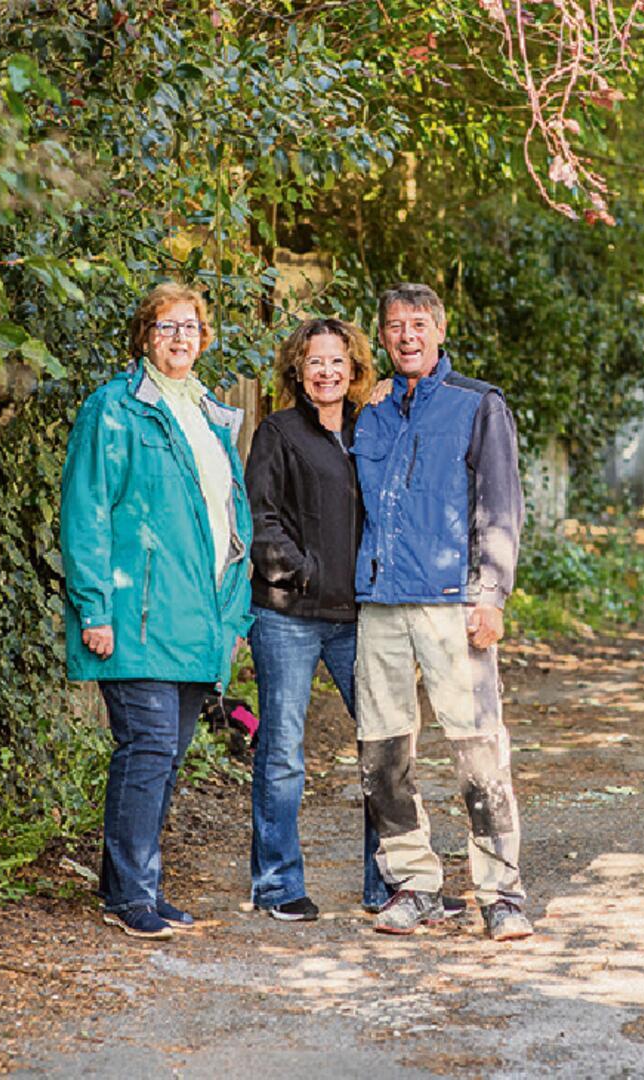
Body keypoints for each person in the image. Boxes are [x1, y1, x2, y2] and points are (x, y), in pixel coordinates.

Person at [59, 282, 253, 940]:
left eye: (190, 328)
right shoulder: (113, 409)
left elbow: (230, 523)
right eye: (166, 327)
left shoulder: (209, 413)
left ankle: (131, 886)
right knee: (146, 746)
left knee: (167, 756)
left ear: (204, 339)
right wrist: (94, 606)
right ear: (145, 336)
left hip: (198, 617)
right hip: (135, 613)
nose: (179, 338)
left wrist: (233, 619)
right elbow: (85, 511)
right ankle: (132, 892)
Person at [351, 283, 532, 940]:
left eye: (418, 324)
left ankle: (501, 894)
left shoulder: (477, 405)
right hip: (380, 605)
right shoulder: (367, 412)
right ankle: (414, 885)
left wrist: (492, 593)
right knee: (383, 752)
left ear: (441, 328)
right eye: (395, 326)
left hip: (454, 606)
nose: (407, 336)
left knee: (478, 749)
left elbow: (500, 504)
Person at [243, 318, 384, 921]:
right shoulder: (277, 432)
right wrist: (300, 571)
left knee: (385, 747)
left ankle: (391, 881)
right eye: (314, 362)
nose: (326, 372)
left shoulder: (370, 430)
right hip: (289, 616)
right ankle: (277, 885)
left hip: (363, 617)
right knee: (281, 751)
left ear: (354, 369)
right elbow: (260, 516)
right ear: (297, 371)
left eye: (337, 361)